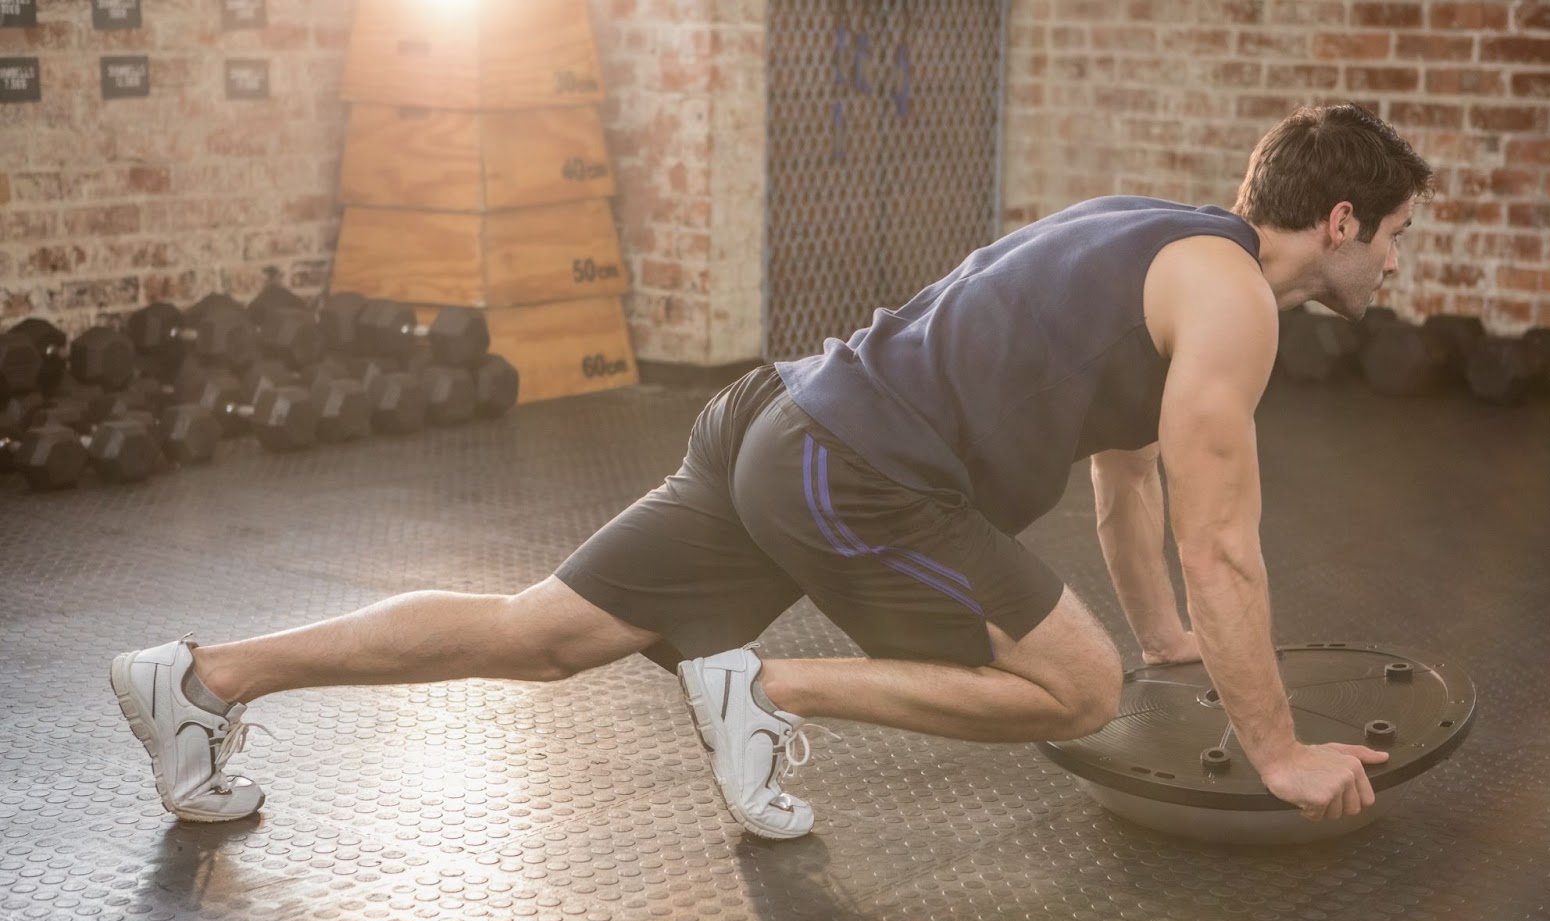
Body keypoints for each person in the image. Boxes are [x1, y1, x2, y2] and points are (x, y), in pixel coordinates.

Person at [111, 103, 1435, 839]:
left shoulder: (1153, 242)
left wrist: (1165, 640)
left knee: (542, 631)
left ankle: (205, 674)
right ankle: (758, 684)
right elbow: (1225, 546)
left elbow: (1131, 486)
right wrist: (1276, 753)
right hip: (856, 467)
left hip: (776, 417)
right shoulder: (1235, 306)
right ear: (1339, 221)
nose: (1393, 266)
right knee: (1074, 690)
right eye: (1393, 241)